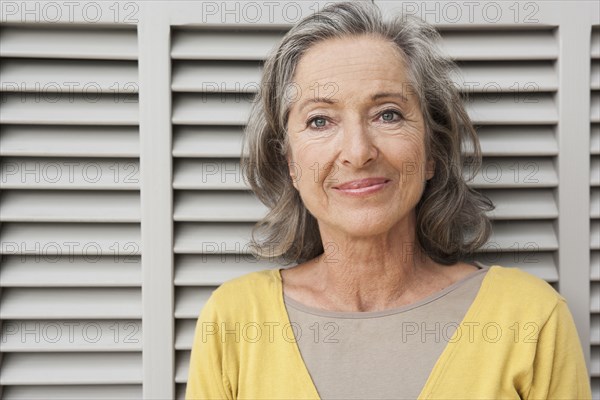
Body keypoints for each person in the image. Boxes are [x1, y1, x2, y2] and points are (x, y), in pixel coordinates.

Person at [185, 2, 592, 399]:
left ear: (432, 151)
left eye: (388, 114)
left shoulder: (530, 318)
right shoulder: (233, 321)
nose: (358, 152)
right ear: (290, 162)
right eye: (320, 120)